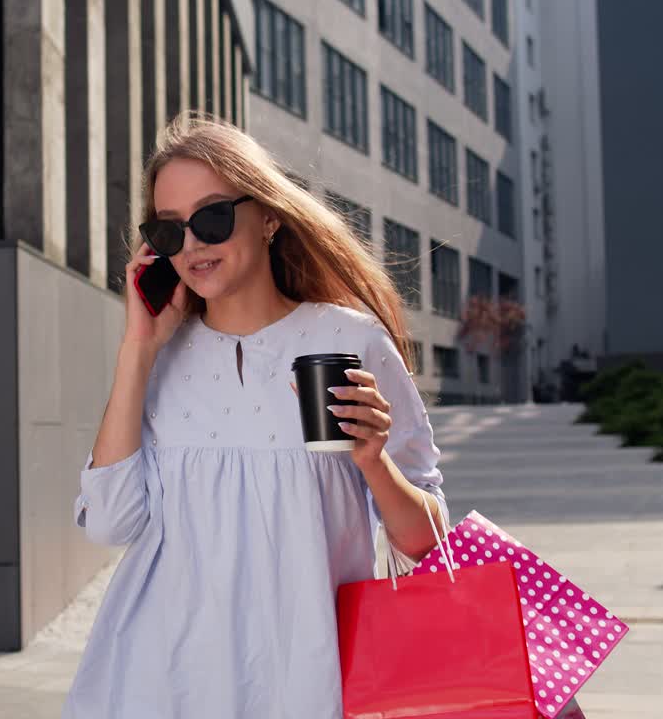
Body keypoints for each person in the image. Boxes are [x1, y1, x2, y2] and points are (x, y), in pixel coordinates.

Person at [64, 113, 449, 718]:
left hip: (308, 684)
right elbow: (109, 525)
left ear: (268, 215)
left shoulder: (348, 341)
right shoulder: (157, 361)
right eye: (168, 230)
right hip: (155, 684)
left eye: (212, 216)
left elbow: (431, 542)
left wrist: (374, 464)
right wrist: (138, 348)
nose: (192, 243)